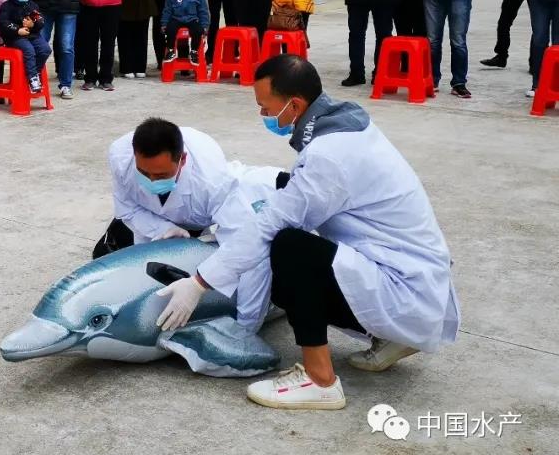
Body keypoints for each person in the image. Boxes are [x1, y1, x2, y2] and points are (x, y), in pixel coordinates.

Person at [156, 55, 460, 410]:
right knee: (287, 268)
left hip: (405, 286)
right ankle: (389, 336)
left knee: (289, 249)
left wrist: (199, 283)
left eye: (265, 107)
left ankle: (320, 380)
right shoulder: (344, 124)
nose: (263, 116)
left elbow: (272, 224)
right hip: (410, 272)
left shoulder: (329, 156)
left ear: (294, 104)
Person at [107, 117, 276, 334]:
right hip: (152, 217)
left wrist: (244, 329)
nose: (151, 181)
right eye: (144, 173)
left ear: (183, 160)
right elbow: (128, 209)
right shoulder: (120, 156)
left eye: (161, 175)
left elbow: (248, 255)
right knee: (118, 266)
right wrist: (161, 229)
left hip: (202, 213)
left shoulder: (213, 183)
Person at [0, 0, 52, 93]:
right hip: (15, 39)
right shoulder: (7, 6)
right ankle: (32, 78)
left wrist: (33, 24)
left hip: (33, 35)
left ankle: (34, 73)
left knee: (45, 49)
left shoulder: (32, 5)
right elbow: (3, 23)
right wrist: (18, 30)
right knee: (29, 50)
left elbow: (41, 21)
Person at [160, 0, 210, 65]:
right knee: (170, 29)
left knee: (197, 30)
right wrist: (164, 24)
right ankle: (170, 50)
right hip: (176, 18)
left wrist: (205, 26)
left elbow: (203, 12)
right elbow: (167, 11)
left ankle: (194, 52)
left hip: (192, 19)